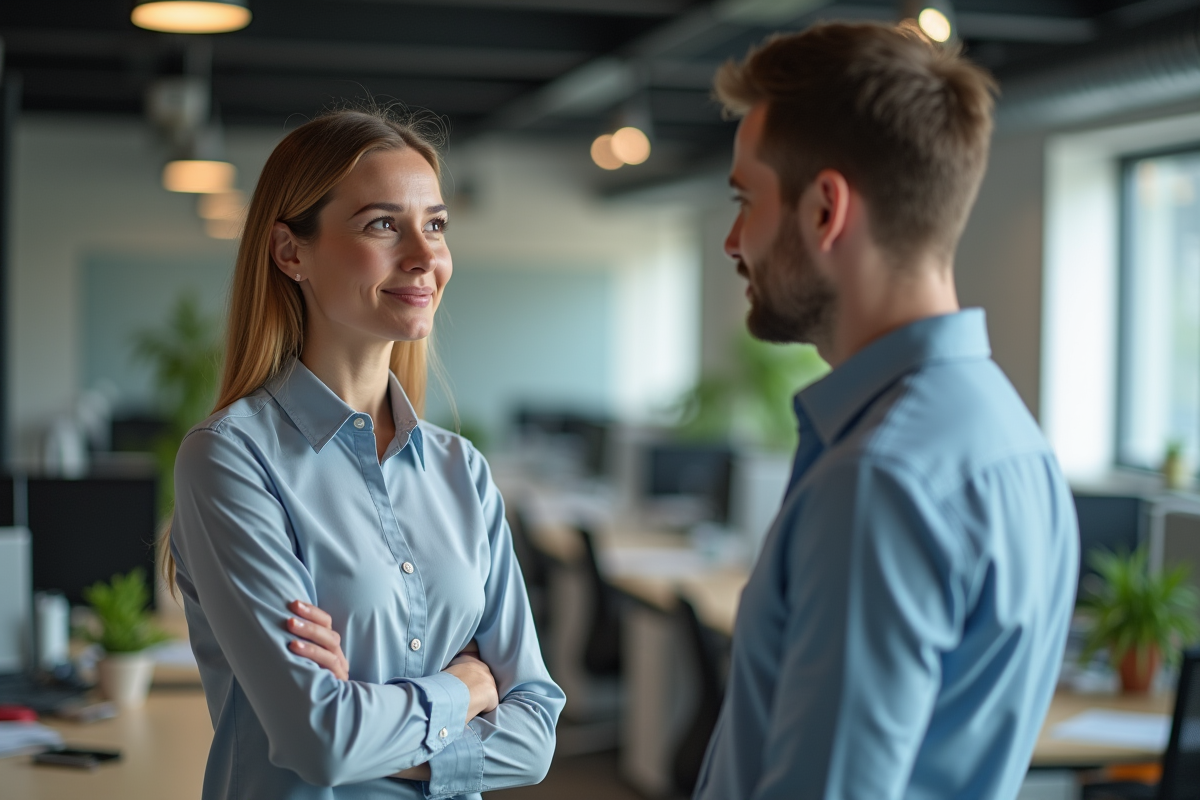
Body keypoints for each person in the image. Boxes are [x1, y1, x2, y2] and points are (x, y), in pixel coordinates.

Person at [694, 22, 1079, 800]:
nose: (734, 240)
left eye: (747, 200)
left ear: (825, 209)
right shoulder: (1013, 440)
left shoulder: (879, 478)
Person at [166, 108, 564, 800]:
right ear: (291, 252)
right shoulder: (231, 461)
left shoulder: (460, 471)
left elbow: (535, 738)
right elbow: (321, 741)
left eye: (435, 225)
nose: (423, 255)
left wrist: (367, 718)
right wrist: (465, 688)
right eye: (384, 224)